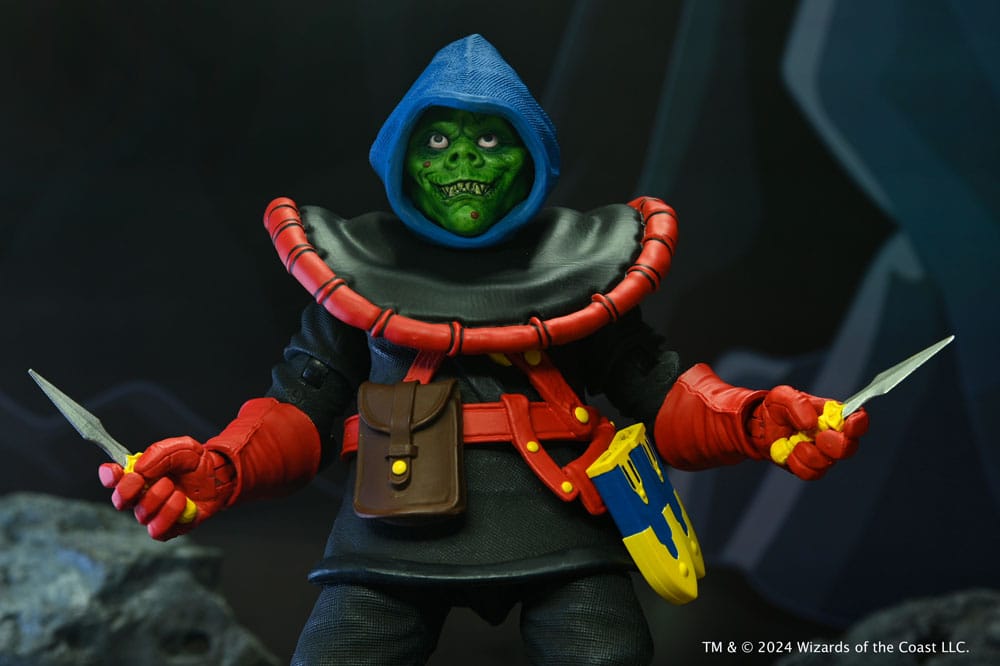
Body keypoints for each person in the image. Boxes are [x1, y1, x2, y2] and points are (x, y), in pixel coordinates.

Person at [100, 35, 867, 665]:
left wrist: (757, 419)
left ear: (530, 156)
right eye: (438, 141)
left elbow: (660, 391)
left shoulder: (582, 269)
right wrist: (223, 466)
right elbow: (300, 404)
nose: (463, 162)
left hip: (560, 524)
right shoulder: (355, 273)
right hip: (394, 536)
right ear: (402, 156)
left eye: (490, 139)